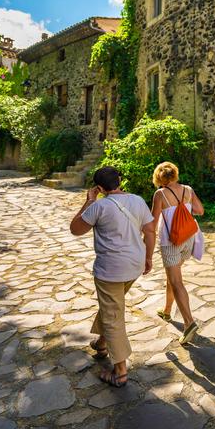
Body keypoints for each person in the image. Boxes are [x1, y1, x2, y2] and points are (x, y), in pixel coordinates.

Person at [69, 166, 155, 387]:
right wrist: (148, 258)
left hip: (111, 270)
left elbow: (76, 229)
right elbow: (150, 231)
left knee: (113, 315)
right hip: (134, 265)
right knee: (112, 306)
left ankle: (121, 372)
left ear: (99, 188)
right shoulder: (137, 200)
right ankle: (102, 343)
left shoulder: (99, 206)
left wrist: (89, 200)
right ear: (120, 181)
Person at [150, 161, 204, 345]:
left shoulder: (160, 194)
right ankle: (166, 310)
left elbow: (153, 221)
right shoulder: (188, 190)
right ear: (175, 174)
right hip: (188, 238)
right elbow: (200, 210)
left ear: (159, 177)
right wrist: (184, 208)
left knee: (177, 282)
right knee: (172, 277)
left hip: (171, 242)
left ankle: (189, 323)